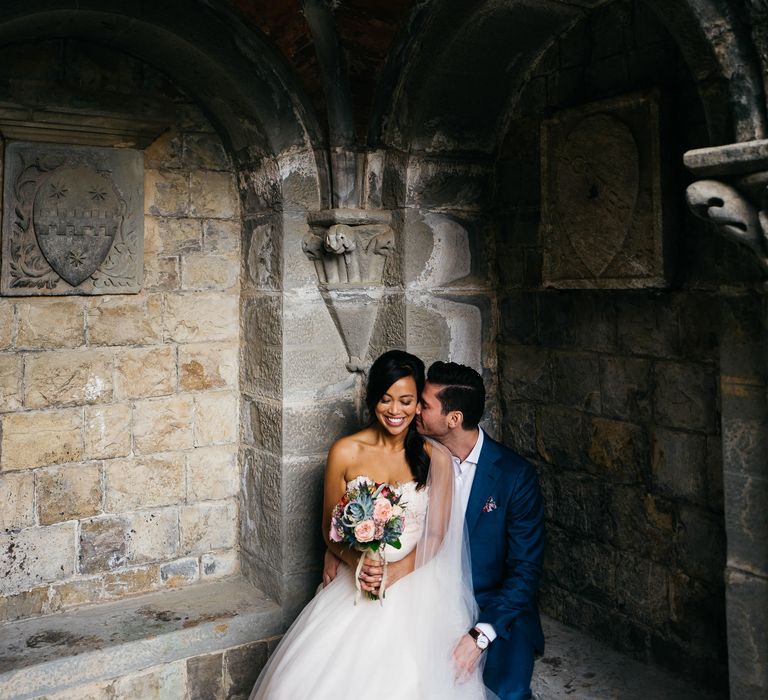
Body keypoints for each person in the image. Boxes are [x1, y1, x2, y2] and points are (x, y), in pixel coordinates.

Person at [250, 350, 490, 699]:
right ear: (373, 399)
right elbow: (330, 530)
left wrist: (395, 573)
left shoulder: (434, 456)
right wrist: (358, 562)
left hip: (417, 581)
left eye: (407, 401)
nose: (396, 411)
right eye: (386, 399)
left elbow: (437, 534)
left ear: (418, 403)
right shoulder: (345, 451)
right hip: (358, 577)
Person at [336, 361, 545, 700]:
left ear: (453, 419)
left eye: (424, 404)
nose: (413, 408)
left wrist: (479, 635)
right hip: (424, 591)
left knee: (506, 692)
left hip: (492, 603)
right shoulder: (415, 451)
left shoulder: (514, 476)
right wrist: (341, 554)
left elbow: (525, 572)